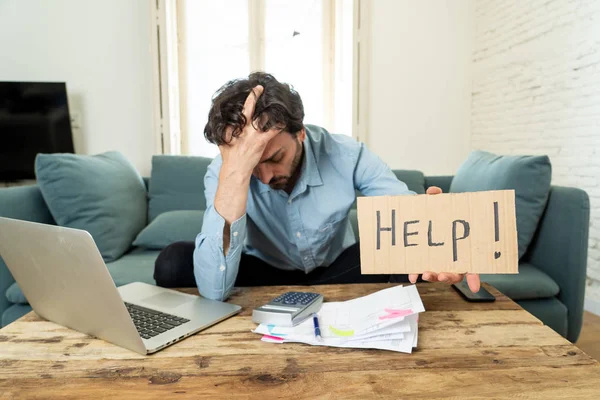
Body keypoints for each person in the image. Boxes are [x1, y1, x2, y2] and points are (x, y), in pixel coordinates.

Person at [154, 72, 480, 300]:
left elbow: (402, 206)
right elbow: (213, 290)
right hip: (264, 270)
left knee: (397, 259)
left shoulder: (345, 152)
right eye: (253, 164)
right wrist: (236, 175)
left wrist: (439, 240)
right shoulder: (224, 172)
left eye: (275, 157)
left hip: (338, 268)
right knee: (172, 262)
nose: (265, 178)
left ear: (300, 133)